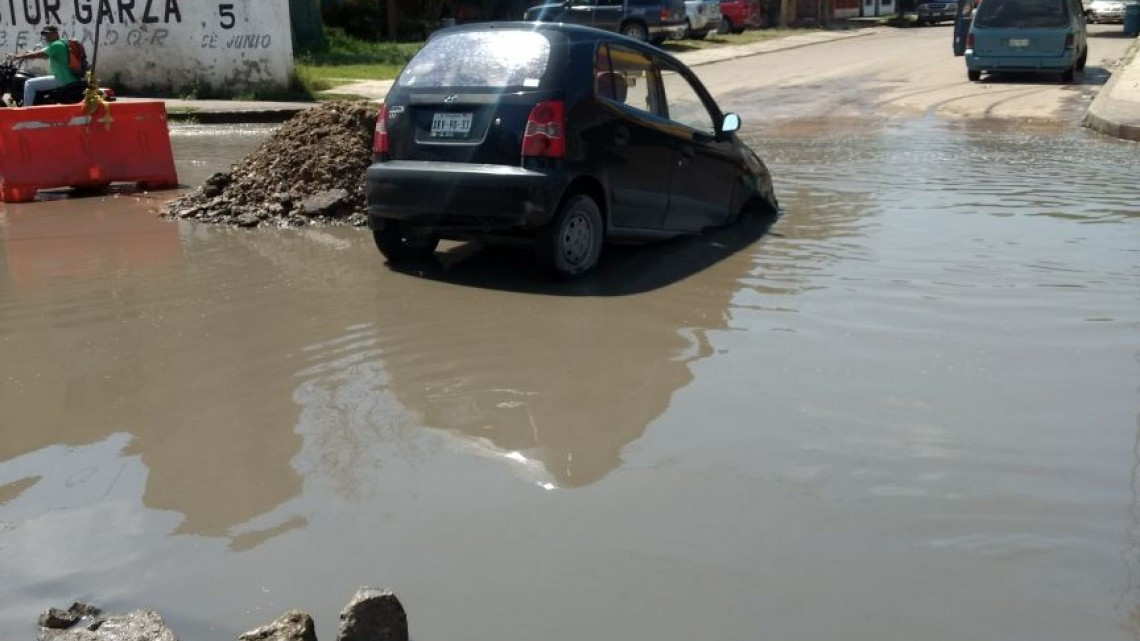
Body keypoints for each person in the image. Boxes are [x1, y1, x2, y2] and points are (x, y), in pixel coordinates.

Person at [13, 25, 78, 107]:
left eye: (48, 34)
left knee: (29, 83)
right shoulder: (60, 42)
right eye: (44, 34)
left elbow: (40, 54)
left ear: (55, 33)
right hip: (65, 77)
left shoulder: (56, 45)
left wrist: (21, 56)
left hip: (61, 78)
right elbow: (44, 53)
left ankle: (25, 111)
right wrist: (28, 53)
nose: (46, 36)